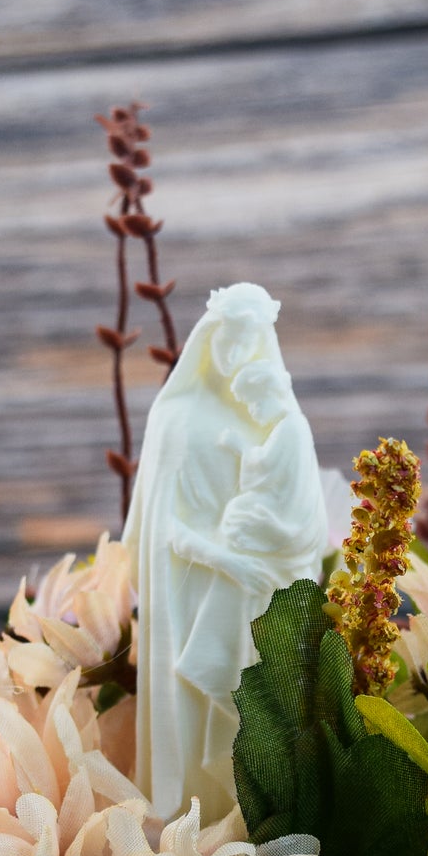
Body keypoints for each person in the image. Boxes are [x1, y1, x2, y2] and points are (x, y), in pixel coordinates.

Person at [124, 284, 329, 820]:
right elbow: (164, 529)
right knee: (194, 713)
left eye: (250, 342)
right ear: (208, 340)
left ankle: (256, 827)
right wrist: (224, 558)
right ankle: (188, 830)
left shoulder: (279, 421)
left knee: (252, 713)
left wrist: (272, 555)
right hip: (190, 593)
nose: (236, 356)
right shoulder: (179, 416)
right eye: (227, 341)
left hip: (258, 593)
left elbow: (305, 518)